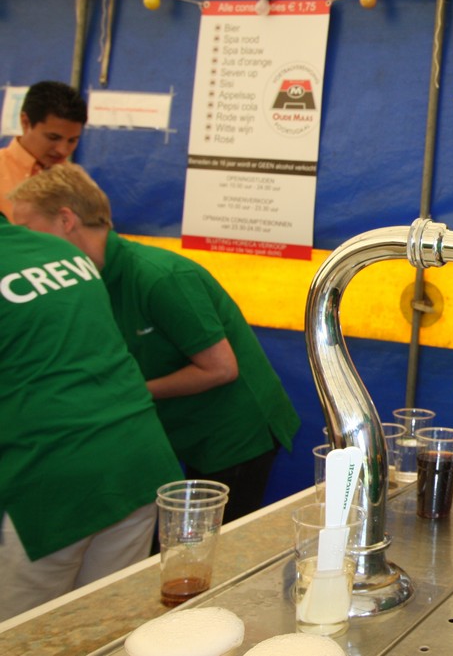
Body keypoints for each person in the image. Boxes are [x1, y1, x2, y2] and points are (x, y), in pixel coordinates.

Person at [9, 164, 301, 523]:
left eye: (26, 229)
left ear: (66, 220)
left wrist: (129, 392)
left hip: (233, 433)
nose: (23, 243)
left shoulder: (160, 276)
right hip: (185, 431)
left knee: (215, 542)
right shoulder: (90, 279)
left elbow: (221, 369)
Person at [0, 212, 183, 621]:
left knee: (24, 636)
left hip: (47, 480)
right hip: (134, 459)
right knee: (107, 625)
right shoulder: (60, 250)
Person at [0, 81, 86, 222]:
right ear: (25, 122)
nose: (63, 150)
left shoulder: (79, 182)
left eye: (72, 140)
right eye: (53, 137)